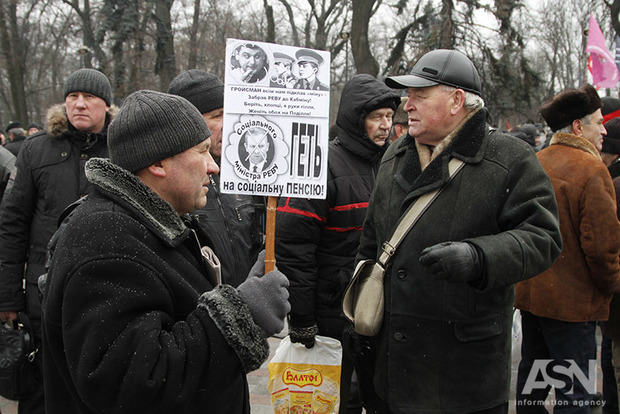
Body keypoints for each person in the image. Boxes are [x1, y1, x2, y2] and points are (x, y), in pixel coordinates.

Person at [41, 90, 290, 413]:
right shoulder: (109, 242)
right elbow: (135, 382)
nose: (213, 167)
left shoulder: (142, 225)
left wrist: (243, 296)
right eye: (201, 152)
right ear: (157, 162)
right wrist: (244, 316)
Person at [355, 49, 561, 414]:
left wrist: (479, 257)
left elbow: (543, 238)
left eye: (419, 95)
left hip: (462, 377)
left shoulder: (510, 159)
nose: (407, 105)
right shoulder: (395, 155)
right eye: (408, 95)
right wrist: (358, 314)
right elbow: (371, 242)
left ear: (456, 100)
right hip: (392, 368)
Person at [275, 73, 400, 412]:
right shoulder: (319, 165)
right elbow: (293, 246)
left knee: (378, 397)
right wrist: (301, 316)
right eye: (377, 117)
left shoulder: (395, 165)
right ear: (355, 118)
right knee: (333, 402)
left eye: (390, 117)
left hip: (378, 309)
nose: (385, 125)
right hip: (331, 312)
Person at [0, 68, 116, 414]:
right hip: (42, 294)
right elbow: (12, 224)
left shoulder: (123, 150)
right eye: (72, 97)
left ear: (106, 106)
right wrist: (7, 296)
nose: (79, 105)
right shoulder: (36, 151)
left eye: (89, 98)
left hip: (104, 290)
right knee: (41, 391)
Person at [515, 83, 620, 412]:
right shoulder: (592, 171)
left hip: (533, 299)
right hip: (574, 309)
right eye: (598, 121)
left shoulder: (537, 161)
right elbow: (602, 249)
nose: (604, 129)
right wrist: (610, 288)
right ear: (578, 126)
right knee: (575, 396)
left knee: (532, 387)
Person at [167, 70, 265, 287]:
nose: (229, 124)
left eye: (230, 114)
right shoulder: (171, 180)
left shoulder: (248, 171)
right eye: (217, 115)